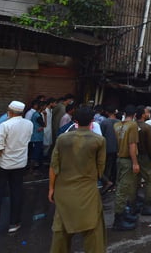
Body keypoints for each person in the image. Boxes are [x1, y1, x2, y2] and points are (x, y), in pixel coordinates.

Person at [49, 107, 106, 253]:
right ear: (92, 121)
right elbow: (100, 169)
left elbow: (54, 166)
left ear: (75, 121)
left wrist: (51, 189)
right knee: (93, 229)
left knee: (61, 230)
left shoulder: (62, 139)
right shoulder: (99, 140)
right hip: (87, 190)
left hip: (64, 190)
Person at [0, 101, 33, 236]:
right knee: (16, 193)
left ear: (9, 111)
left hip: (4, 165)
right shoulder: (29, 124)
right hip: (20, 164)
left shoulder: (5, 125)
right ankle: (14, 223)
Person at [112, 105, 140, 231]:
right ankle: (119, 219)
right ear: (134, 115)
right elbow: (132, 145)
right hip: (127, 159)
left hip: (119, 158)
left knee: (120, 187)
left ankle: (122, 214)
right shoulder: (133, 125)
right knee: (123, 189)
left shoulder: (116, 125)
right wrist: (135, 162)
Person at [135, 106, 151, 216]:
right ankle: (147, 205)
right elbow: (149, 145)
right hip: (144, 156)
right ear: (143, 115)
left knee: (135, 179)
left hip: (133, 156)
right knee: (150, 180)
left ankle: (133, 203)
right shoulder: (146, 127)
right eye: (146, 113)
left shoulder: (131, 126)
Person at [99, 106, 120, 194]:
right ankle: (114, 183)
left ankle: (106, 183)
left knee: (107, 166)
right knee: (115, 167)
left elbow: (101, 135)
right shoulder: (119, 122)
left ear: (107, 112)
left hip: (107, 148)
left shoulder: (104, 122)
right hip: (117, 148)